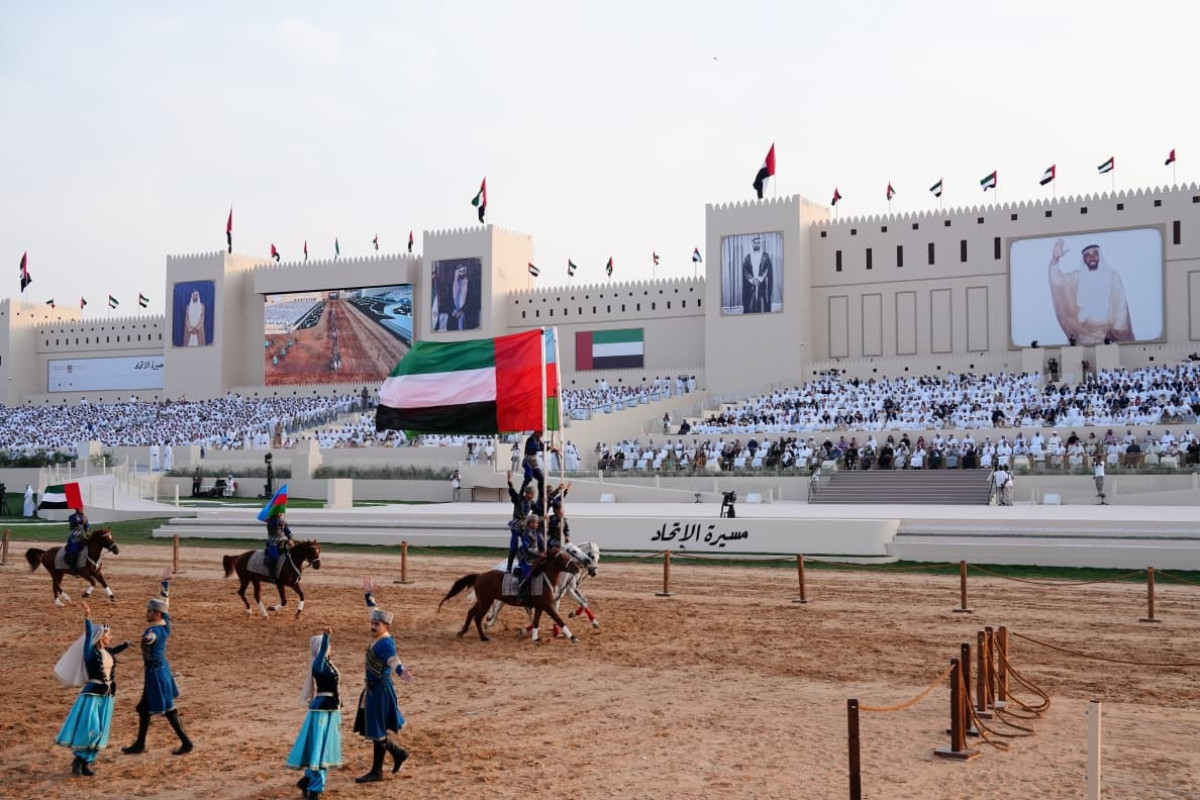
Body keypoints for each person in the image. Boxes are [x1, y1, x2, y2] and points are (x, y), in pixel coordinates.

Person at [55, 601, 130, 776]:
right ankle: (78, 759)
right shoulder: (90, 652)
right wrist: (87, 616)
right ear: (101, 636)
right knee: (92, 729)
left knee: (101, 731)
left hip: (108, 696)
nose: (111, 637)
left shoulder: (109, 652)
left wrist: (127, 644)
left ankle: (86, 763)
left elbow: (116, 649)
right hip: (92, 695)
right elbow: (89, 634)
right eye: (109, 634)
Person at [122, 570, 193, 756]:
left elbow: (152, 637)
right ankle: (140, 744)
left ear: (157, 614)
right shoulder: (165, 624)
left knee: (168, 708)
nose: (147, 613)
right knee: (144, 709)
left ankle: (186, 742)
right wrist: (165, 584)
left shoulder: (155, 631)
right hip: (160, 670)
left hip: (156, 674)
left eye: (150, 611)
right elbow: (166, 604)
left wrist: (147, 639)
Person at [354, 579, 412, 783]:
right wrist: (368, 595)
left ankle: (377, 772)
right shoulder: (381, 636)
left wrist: (401, 671)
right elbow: (374, 611)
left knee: (377, 730)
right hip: (373, 690)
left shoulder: (386, 643)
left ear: (385, 626)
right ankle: (398, 753)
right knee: (373, 726)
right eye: (372, 623)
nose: (372, 626)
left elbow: (393, 660)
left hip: (380, 691)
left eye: (376, 624)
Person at [287, 626, 342, 799]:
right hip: (323, 710)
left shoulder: (325, 663)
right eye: (327, 645)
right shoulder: (319, 663)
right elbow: (324, 648)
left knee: (321, 749)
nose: (330, 647)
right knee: (321, 750)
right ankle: (314, 790)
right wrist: (326, 636)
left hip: (330, 708)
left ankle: (307, 781)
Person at [1047, 239, 1134, 345]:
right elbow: (1058, 281)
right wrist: (1055, 259)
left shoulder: (1112, 276)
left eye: (1095, 254)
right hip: (1084, 335)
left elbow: (1120, 307)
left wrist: (1117, 332)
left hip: (1106, 336)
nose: (1092, 257)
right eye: (1088, 255)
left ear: (1099, 256)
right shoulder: (1077, 278)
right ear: (1084, 259)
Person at [741, 235, 774, 314]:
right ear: (752, 244)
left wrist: (760, 278)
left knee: (763, 305)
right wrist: (752, 280)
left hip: (762, 283)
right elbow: (745, 271)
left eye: (758, 243)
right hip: (751, 284)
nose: (756, 244)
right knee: (750, 305)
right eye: (754, 243)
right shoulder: (747, 257)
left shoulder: (765, 256)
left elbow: (767, 269)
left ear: (760, 244)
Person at [265, 511, 294, 580]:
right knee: (274, 558)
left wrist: (291, 539)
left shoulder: (282, 521)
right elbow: (274, 526)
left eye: (281, 512)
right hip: (273, 543)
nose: (280, 513)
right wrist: (281, 522)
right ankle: (272, 574)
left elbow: (288, 532)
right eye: (278, 512)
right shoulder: (270, 522)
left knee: (292, 555)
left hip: (284, 542)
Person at [65, 507, 91, 572]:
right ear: (76, 509)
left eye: (82, 508)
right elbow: (74, 525)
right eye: (80, 508)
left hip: (82, 535)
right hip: (74, 536)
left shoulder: (84, 517)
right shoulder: (72, 517)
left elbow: (87, 528)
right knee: (74, 549)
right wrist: (83, 521)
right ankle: (72, 567)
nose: (82, 509)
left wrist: (88, 532)